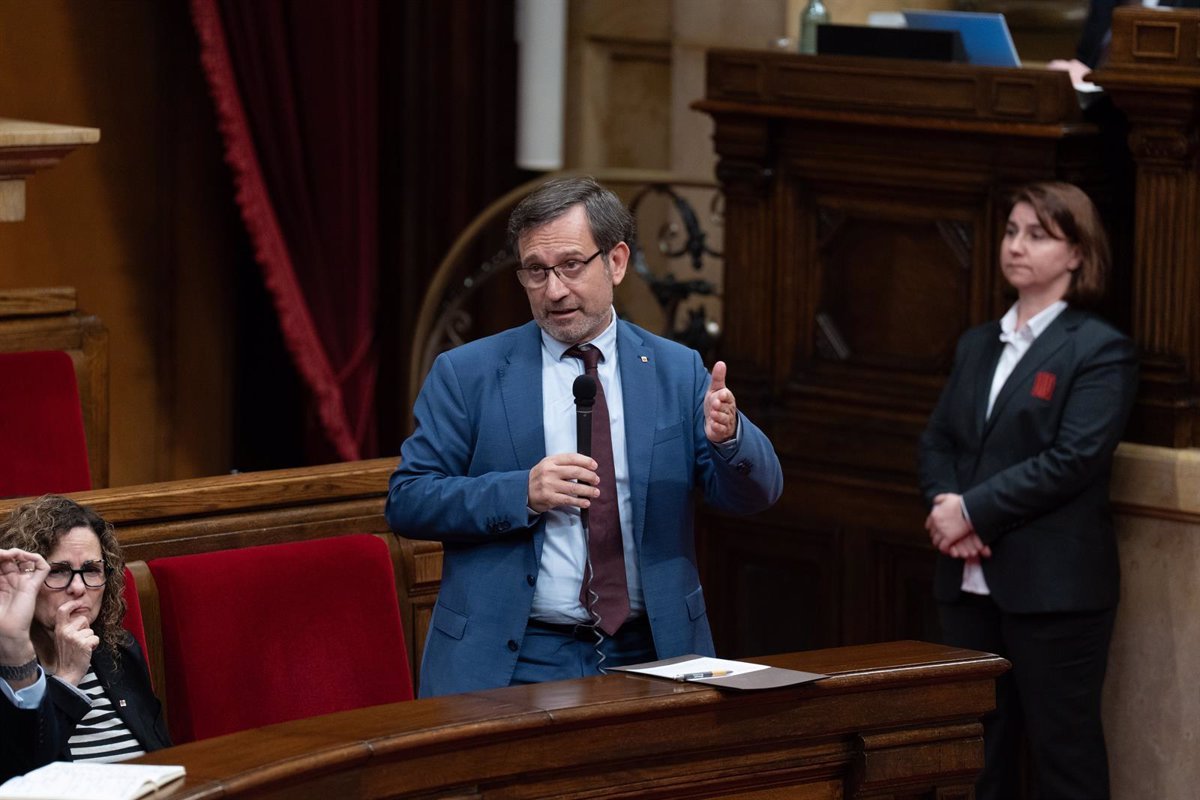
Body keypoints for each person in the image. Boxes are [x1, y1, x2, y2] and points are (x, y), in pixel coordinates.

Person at [386, 176, 783, 698]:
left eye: (571, 265)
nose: (554, 290)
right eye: (536, 270)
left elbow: (758, 494)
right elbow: (408, 499)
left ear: (616, 262)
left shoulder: (677, 370)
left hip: (653, 650)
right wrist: (521, 492)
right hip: (514, 655)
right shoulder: (468, 373)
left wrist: (729, 439)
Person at [918, 182, 1138, 800]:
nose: (1016, 246)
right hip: (967, 581)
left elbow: (1073, 459)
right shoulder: (977, 343)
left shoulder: (1100, 350)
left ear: (1078, 253)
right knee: (972, 755)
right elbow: (938, 440)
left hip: (1053, 588)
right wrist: (946, 507)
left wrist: (971, 512)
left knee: (1063, 757)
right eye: (1012, 231)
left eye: (1038, 235)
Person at [0, 496, 170, 782]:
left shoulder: (119, 648)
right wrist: (67, 679)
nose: (78, 588)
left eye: (91, 570)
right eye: (58, 571)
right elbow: (24, 775)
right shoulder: (10, 670)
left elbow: (161, 751)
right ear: (22, 580)